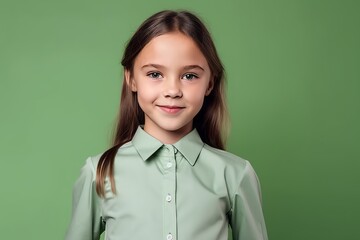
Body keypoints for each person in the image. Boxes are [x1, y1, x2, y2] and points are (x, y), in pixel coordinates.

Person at [65, 10, 268, 240]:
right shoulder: (99, 172)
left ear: (210, 83)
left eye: (190, 76)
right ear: (131, 78)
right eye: (154, 74)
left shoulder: (235, 174)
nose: (172, 91)